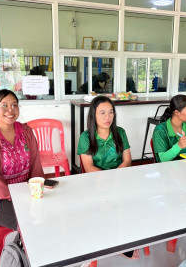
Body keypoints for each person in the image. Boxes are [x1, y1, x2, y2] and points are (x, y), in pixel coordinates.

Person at [0, 89, 43, 231]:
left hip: (25, 189)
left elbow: (35, 163)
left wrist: (36, 188)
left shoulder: (26, 131)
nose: (10, 110)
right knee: (29, 224)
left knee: (48, 214)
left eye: (14, 105)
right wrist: (20, 197)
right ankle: (18, 252)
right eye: (4, 105)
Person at [77, 96, 137, 259]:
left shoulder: (120, 132)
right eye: (102, 113)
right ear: (93, 116)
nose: (107, 117)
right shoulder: (86, 137)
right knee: (101, 209)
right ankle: (100, 241)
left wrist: (115, 177)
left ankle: (124, 240)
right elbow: (88, 166)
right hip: (95, 181)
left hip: (119, 177)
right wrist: (106, 179)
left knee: (129, 207)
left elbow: (127, 160)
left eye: (111, 112)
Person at [152, 95, 186, 162]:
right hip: (167, 169)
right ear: (177, 112)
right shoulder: (160, 130)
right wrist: (178, 146)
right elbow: (162, 159)